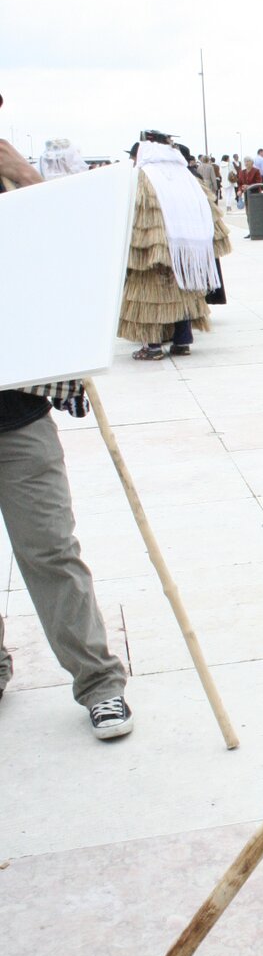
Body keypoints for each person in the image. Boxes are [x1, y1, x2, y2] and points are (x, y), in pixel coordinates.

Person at [0, 140, 133, 739]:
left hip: (16, 415)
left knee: (51, 549)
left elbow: (74, 244)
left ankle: (99, 683)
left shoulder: (14, 183)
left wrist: (24, 177)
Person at [118, 131, 231, 359]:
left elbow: (132, 214)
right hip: (187, 248)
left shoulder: (142, 177)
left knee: (148, 293)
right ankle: (182, 342)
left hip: (153, 245)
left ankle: (152, 347)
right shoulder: (187, 177)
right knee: (183, 292)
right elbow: (208, 213)